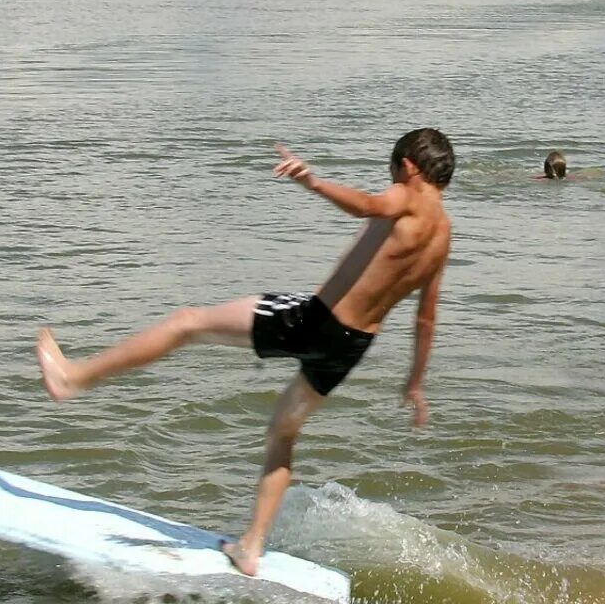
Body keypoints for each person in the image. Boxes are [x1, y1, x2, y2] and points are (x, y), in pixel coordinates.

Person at [35, 129, 455, 577]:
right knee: (282, 433)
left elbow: (370, 205)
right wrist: (414, 381)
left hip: (311, 320)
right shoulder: (444, 236)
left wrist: (312, 182)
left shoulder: (405, 197)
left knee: (187, 323)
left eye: (391, 172)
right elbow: (426, 318)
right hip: (350, 347)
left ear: (408, 167)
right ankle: (250, 547)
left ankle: (74, 378)